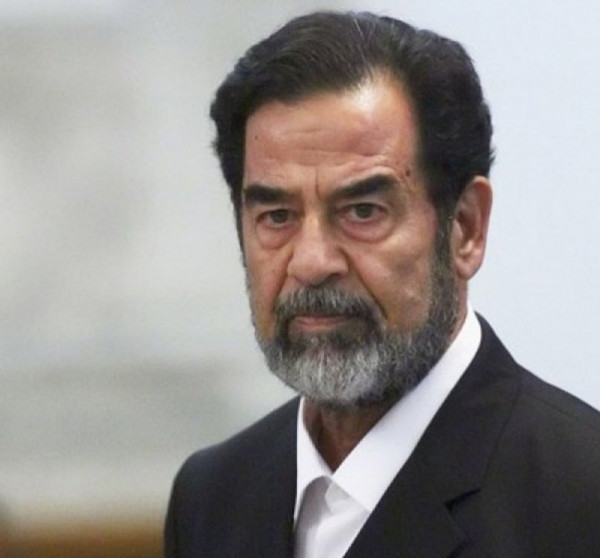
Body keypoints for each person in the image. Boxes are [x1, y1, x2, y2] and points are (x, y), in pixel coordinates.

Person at [165, 11, 600, 557]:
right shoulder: (212, 498)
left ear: (465, 228)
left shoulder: (580, 498)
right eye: (276, 216)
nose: (312, 262)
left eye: (363, 211)